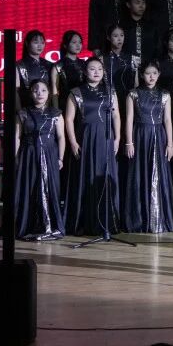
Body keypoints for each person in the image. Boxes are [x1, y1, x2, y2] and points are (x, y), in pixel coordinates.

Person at [64, 56, 120, 236]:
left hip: (105, 137)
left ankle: (105, 222)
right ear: (84, 71)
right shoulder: (76, 92)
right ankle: (83, 222)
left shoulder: (110, 91)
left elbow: (116, 115)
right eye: (92, 69)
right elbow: (69, 119)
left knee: (104, 176)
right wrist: (73, 141)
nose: (96, 72)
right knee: (85, 176)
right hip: (85, 137)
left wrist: (117, 138)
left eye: (100, 69)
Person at [122, 61, 173, 234]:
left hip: (159, 136)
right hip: (140, 136)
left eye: (154, 73)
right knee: (140, 174)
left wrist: (170, 143)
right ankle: (140, 220)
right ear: (141, 74)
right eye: (147, 73)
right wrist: (129, 142)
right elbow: (129, 119)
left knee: (159, 175)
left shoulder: (165, 94)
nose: (151, 77)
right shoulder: (133, 94)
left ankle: (159, 219)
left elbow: (168, 120)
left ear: (159, 75)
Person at [15, 78, 65, 240]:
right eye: (36, 90)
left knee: (50, 189)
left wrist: (60, 158)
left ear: (49, 93)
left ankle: (50, 226)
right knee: (29, 188)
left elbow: (61, 137)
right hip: (29, 154)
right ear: (31, 93)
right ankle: (30, 226)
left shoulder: (56, 113)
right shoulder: (23, 113)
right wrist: (16, 158)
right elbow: (17, 137)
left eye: (43, 90)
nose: (39, 93)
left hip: (50, 154)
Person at [15, 29, 54, 109]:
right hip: (26, 107)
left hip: (47, 108)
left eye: (42, 42)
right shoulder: (19, 65)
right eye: (36, 42)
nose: (40, 46)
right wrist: (19, 111)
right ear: (27, 43)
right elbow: (16, 92)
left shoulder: (49, 65)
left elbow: (54, 89)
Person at [52, 30, 87, 104]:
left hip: (84, 103)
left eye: (80, 42)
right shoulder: (58, 66)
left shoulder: (84, 64)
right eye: (74, 42)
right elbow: (54, 92)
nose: (78, 45)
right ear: (65, 45)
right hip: (65, 103)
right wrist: (56, 109)